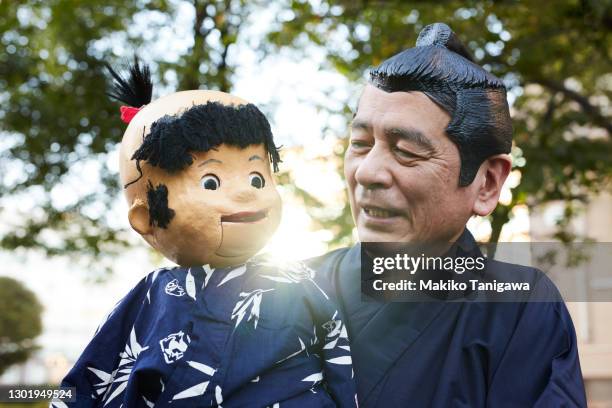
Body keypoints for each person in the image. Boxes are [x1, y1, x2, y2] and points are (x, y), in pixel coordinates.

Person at [308, 23, 587, 407]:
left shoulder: (520, 308)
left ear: (487, 182)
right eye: (360, 143)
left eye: (406, 150)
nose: (368, 172)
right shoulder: (293, 290)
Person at [54, 60, 357, 408]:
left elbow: (340, 367)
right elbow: (85, 382)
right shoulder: (150, 296)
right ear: (145, 216)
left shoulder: (302, 286)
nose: (246, 193)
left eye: (256, 177)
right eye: (211, 181)